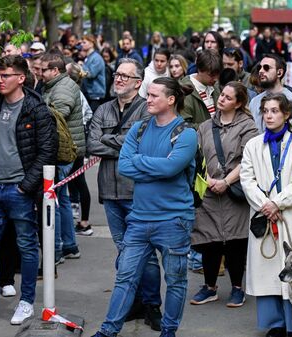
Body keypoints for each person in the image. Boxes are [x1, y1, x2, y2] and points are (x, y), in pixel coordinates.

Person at [91, 77, 197, 337]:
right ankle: (108, 331)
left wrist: (141, 162)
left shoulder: (186, 133)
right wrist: (156, 166)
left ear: (171, 100)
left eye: (153, 95)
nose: (147, 99)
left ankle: (168, 332)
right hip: (138, 219)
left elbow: (172, 168)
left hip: (174, 220)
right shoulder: (138, 128)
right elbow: (124, 167)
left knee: (175, 281)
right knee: (125, 278)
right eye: (147, 94)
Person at [0, 55, 57, 326]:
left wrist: (25, 186)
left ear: (20, 78)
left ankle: (26, 302)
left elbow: (47, 151)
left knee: (27, 245)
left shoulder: (37, 109)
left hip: (19, 189)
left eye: (5, 75)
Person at [87, 58, 163, 331]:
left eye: (125, 76)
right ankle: (134, 302)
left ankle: (152, 305)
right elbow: (92, 143)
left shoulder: (147, 110)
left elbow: (142, 143)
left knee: (147, 253)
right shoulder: (103, 109)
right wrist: (122, 144)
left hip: (138, 192)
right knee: (124, 250)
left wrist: (114, 143)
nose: (118, 79)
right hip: (109, 191)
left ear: (137, 82)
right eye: (117, 74)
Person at [240, 93, 292, 337]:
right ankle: (275, 324)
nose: (269, 115)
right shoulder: (252, 145)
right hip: (265, 216)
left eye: (274, 111)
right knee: (267, 271)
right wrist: (265, 205)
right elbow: (247, 179)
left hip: (290, 215)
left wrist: (277, 204)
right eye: (265, 111)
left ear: (286, 114)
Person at [190, 82, 259, 307]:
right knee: (209, 241)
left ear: (238, 103)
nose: (221, 100)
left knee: (235, 243)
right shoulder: (205, 126)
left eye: (228, 98)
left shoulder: (248, 126)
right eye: (222, 96)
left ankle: (238, 288)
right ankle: (210, 287)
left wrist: (226, 182)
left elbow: (249, 159)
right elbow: (197, 156)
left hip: (235, 192)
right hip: (209, 192)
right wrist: (208, 180)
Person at [40, 53, 84, 262]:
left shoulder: (63, 87)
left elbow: (58, 115)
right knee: (62, 199)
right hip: (65, 152)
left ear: (54, 71)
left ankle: (56, 249)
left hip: (62, 152)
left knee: (53, 200)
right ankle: (69, 245)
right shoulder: (55, 85)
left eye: (43, 69)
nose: (39, 73)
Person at [249, 54, 292, 134]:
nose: (261, 71)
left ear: (279, 73)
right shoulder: (254, 101)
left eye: (266, 68)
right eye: (259, 68)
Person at [180, 49, 222, 127]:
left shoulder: (215, 86)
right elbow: (185, 125)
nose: (216, 79)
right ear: (199, 69)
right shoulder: (185, 91)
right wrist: (211, 128)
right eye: (211, 75)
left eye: (217, 74)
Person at [80, 34, 106, 111]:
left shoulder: (96, 58)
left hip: (96, 95)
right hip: (89, 94)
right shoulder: (88, 57)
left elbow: (91, 74)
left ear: (91, 43)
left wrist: (81, 65)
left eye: (84, 42)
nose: (81, 44)